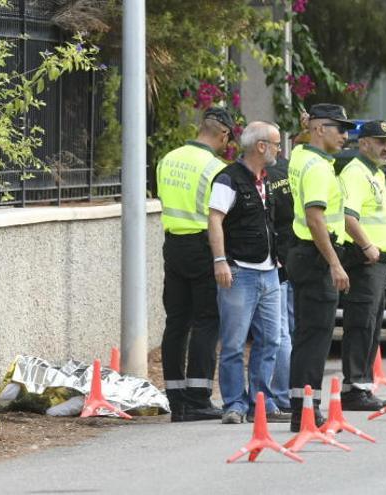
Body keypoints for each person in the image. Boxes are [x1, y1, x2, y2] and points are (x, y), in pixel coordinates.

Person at [208, 121, 290, 424]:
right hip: (240, 271)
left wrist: (277, 258)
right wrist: (220, 260)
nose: (279, 150)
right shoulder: (228, 178)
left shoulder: (265, 178)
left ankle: (260, 400)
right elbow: (215, 219)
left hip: (269, 271)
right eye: (276, 144)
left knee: (271, 340)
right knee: (233, 343)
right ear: (261, 146)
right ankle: (234, 404)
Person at [157, 107, 234, 421]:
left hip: (173, 245)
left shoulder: (167, 159)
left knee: (176, 322)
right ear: (224, 134)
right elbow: (218, 216)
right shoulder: (216, 168)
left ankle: (176, 399)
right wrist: (221, 257)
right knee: (206, 320)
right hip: (203, 247)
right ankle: (199, 398)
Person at [285, 103, 355, 432]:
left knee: (307, 338)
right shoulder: (317, 168)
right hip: (316, 257)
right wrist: (335, 264)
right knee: (315, 340)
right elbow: (316, 219)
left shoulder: (302, 155)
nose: (344, 135)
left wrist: (305, 127)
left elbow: (301, 142)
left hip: (303, 255)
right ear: (318, 130)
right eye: (338, 128)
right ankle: (306, 413)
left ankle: (303, 407)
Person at [338, 120, 386, 410]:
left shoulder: (375, 173)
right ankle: (353, 390)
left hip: (377, 261)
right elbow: (348, 217)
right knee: (361, 324)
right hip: (364, 260)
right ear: (363, 144)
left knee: (371, 325)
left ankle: (361, 386)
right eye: (379, 141)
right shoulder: (355, 173)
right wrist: (367, 245)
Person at [268, 151, 295, 414]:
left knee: (279, 331)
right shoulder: (291, 169)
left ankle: (282, 394)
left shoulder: (264, 176)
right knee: (292, 327)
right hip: (295, 251)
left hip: (275, 257)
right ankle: (291, 390)